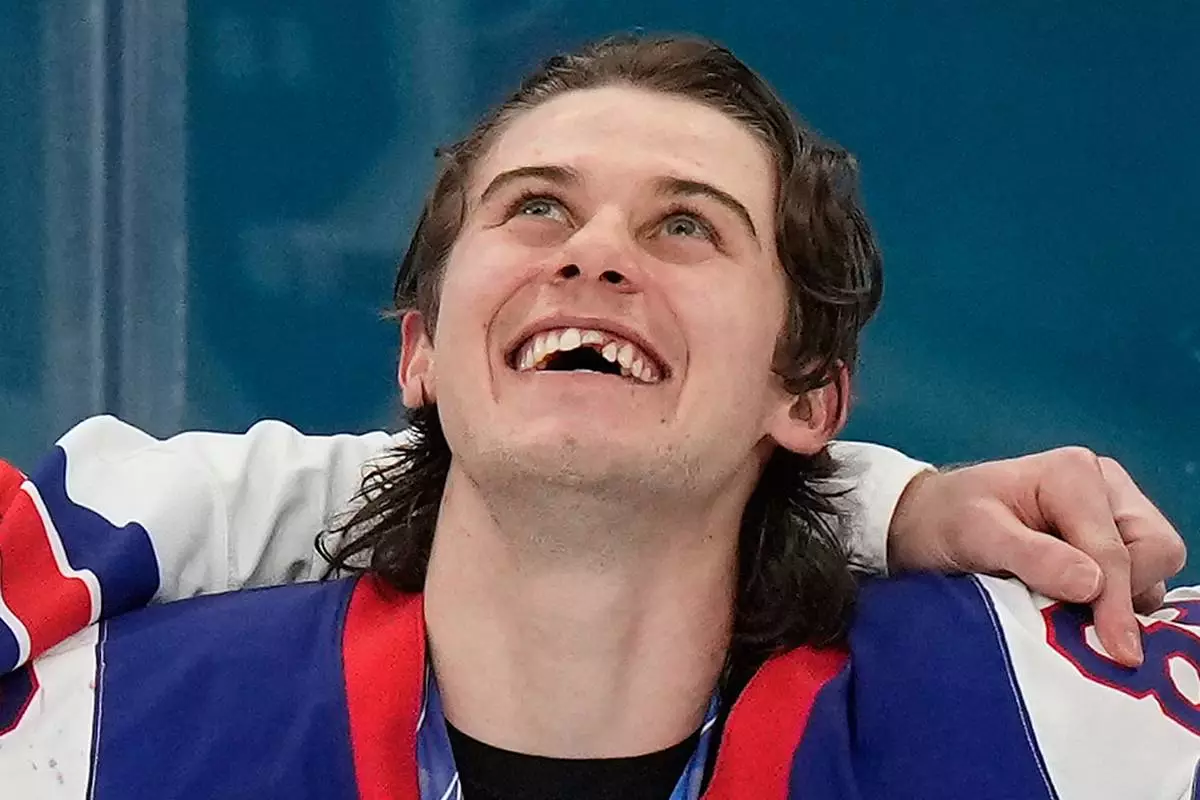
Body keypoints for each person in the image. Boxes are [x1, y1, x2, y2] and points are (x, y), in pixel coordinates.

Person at [0, 34, 1194, 799]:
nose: (595, 254)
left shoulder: (1073, 721)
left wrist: (885, 503)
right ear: (420, 351)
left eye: (688, 224)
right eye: (534, 208)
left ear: (807, 393)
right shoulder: (81, 729)